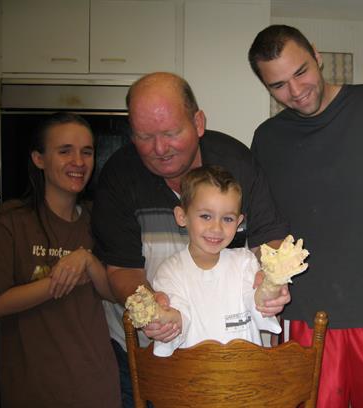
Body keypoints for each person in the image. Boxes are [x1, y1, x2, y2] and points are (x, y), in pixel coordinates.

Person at [248, 25, 363, 408]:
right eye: (278, 86)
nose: (296, 92)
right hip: (303, 322)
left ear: (317, 54)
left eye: (301, 72)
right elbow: (267, 230)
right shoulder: (266, 139)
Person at [91, 72, 290, 407]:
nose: (159, 149)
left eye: (171, 133)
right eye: (144, 136)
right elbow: (122, 272)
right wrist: (154, 312)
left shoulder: (237, 164)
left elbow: (269, 244)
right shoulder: (118, 176)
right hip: (150, 356)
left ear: (198, 123)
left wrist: (268, 282)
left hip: (237, 365)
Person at [0, 113, 121, 408]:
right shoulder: (10, 225)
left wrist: (87, 261)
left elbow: (115, 293)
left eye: (86, 152)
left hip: (96, 384)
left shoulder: (98, 220)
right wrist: (57, 281)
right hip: (33, 388)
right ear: (39, 159)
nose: (78, 161)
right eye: (65, 151)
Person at [151, 165, 282, 357]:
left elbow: (254, 300)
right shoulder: (170, 271)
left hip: (247, 376)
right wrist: (163, 319)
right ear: (182, 216)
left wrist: (269, 291)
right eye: (206, 216)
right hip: (196, 378)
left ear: (238, 223)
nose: (216, 228)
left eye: (227, 219)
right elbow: (180, 316)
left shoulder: (245, 262)